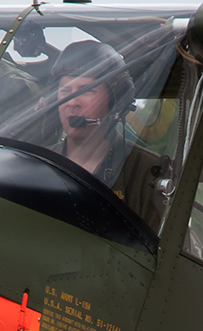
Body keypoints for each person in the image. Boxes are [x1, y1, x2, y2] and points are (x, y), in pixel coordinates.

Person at [48, 41, 166, 227]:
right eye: (65, 90)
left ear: (115, 103)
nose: (72, 101)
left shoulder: (148, 172)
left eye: (87, 91)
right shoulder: (39, 162)